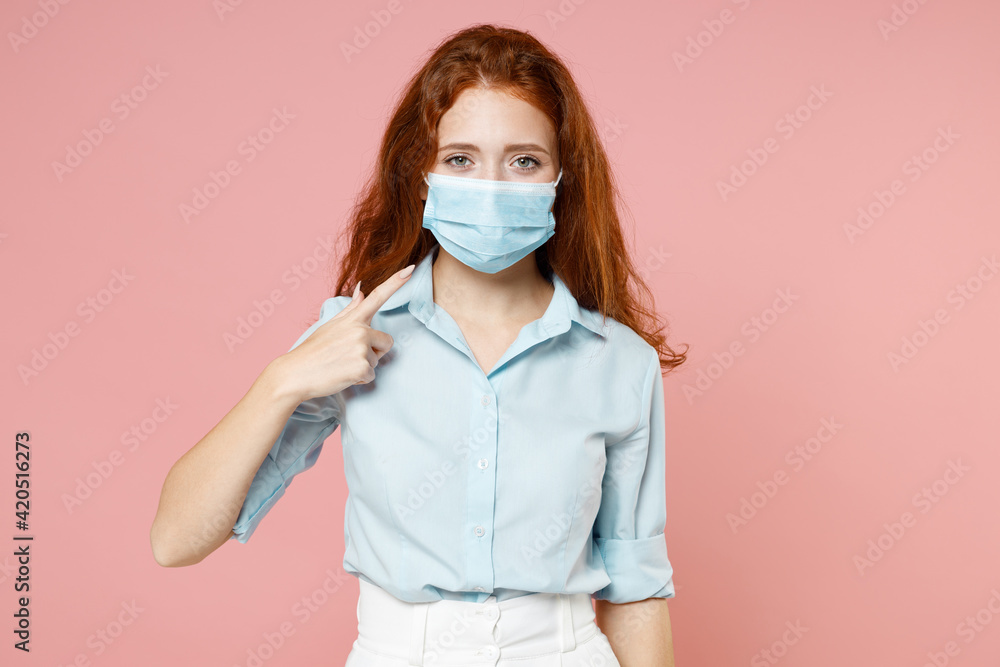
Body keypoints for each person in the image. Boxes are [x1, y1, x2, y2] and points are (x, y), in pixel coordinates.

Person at [150, 23, 687, 667]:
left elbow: (636, 592)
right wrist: (283, 379)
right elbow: (176, 539)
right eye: (460, 158)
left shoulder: (620, 362)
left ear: (561, 177)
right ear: (423, 174)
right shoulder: (351, 337)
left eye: (524, 160)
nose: (490, 185)